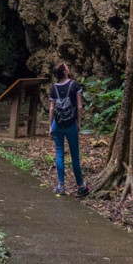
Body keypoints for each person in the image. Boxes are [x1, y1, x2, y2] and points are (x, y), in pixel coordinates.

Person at [48, 60, 90, 197]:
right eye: (67, 67)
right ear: (65, 72)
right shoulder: (75, 86)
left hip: (57, 124)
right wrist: (78, 123)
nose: (68, 67)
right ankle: (81, 186)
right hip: (71, 124)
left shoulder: (53, 88)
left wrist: (50, 125)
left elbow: (52, 108)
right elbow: (79, 106)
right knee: (74, 156)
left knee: (59, 154)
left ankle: (61, 186)